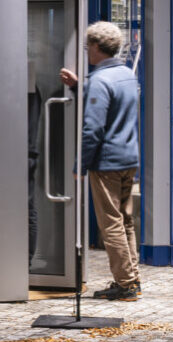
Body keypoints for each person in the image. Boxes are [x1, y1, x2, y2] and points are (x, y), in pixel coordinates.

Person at [60, 20, 140, 302]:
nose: (86, 52)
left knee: (111, 224)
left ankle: (126, 284)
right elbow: (112, 102)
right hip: (129, 158)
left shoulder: (100, 80)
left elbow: (92, 128)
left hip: (106, 163)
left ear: (96, 47)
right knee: (125, 220)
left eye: (87, 47)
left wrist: (80, 166)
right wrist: (79, 87)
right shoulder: (126, 75)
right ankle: (131, 278)